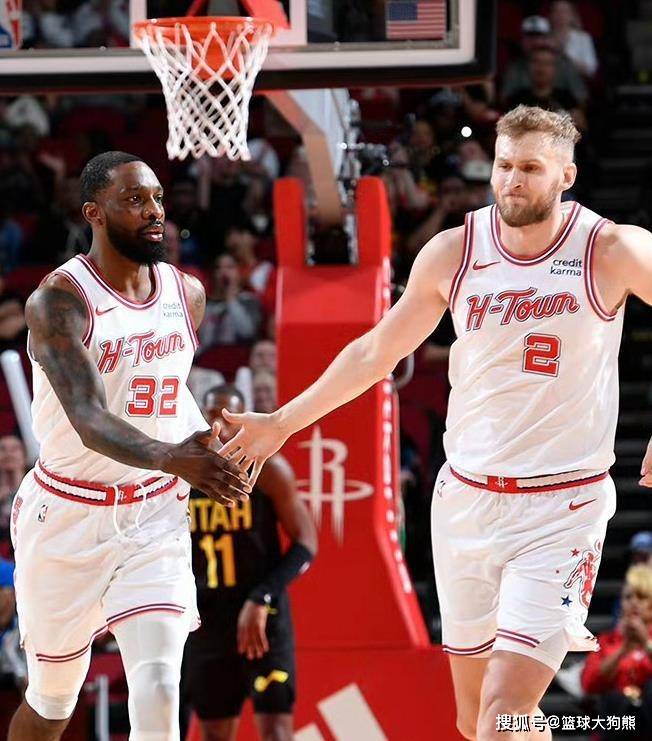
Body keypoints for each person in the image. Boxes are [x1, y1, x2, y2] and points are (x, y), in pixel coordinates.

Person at [217, 105, 652, 740]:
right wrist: (283, 422)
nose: (512, 180)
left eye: (531, 168)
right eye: (504, 165)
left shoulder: (611, 248)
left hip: (561, 508)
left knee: (503, 711)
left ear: (567, 175)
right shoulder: (455, 251)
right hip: (466, 502)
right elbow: (374, 352)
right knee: (476, 722)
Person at [7, 151, 251, 741]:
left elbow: (166, 389)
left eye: (158, 198)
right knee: (52, 700)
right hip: (68, 514)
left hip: (152, 514)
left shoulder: (186, 294)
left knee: (160, 684)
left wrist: (203, 441)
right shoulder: (59, 301)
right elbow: (90, 418)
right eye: (134, 200)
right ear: (94, 212)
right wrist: (172, 456)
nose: (154, 211)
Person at [184, 384, 317, 741]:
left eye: (229, 417)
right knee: (213, 734)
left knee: (276, 732)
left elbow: (306, 543)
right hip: (207, 622)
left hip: (261, 617)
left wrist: (263, 596)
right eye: (212, 416)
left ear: (244, 421)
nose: (220, 426)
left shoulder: (268, 469)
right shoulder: (184, 474)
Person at [581, 565, 652, 739]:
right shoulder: (606, 641)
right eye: (628, 597)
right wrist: (623, 649)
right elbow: (589, 684)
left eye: (641, 597)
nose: (634, 602)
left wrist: (645, 643)